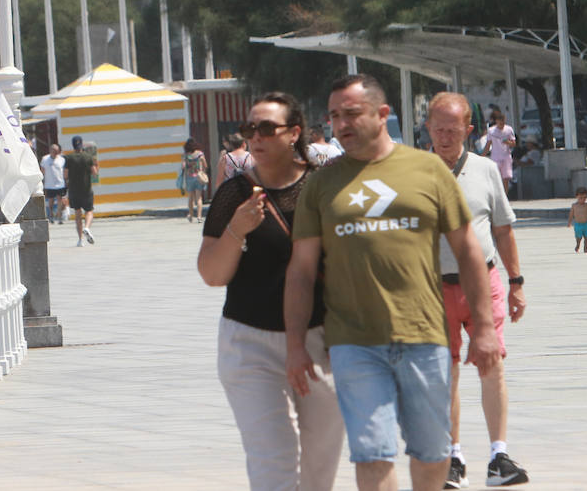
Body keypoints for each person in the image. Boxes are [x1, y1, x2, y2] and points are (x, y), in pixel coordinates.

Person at [284, 74, 498, 491]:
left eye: (351, 114)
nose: (340, 125)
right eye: (333, 117)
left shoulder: (427, 169)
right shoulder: (322, 184)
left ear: (383, 114)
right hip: (353, 342)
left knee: (433, 451)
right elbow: (301, 270)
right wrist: (295, 345)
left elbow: (470, 251)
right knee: (372, 451)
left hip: (424, 336)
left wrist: (486, 327)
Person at [198, 92, 344, 490]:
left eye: (266, 129)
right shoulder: (234, 194)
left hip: (320, 340)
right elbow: (211, 273)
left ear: (294, 132)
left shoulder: (322, 187)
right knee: (274, 462)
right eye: (250, 129)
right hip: (250, 344)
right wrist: (236, 230)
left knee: (319, 467)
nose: (256, 138)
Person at [424, 93, 529, 488]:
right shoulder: (415, 172)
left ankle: (499, 456)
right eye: (439, 128)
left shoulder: (485, 170)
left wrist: (516, 283)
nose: (446, 136)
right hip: (432, 288)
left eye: (454, 129)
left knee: (492, 365)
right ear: (428, 129)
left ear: (469, 130)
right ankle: (453, 458)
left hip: (483, 283)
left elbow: (502, 230)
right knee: (445, 373)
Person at [64, 136, 98, 247]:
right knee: (89, 211)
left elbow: (65, 175)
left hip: (74, 190)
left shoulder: (68, 158)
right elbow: (94, 173)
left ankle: (80, 240)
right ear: (82, 144)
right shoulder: (88, 157)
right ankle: (87, 227)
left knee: (78, 214)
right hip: (86, 189)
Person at [483, 109, 516, 194]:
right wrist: (482, 156)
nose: (502, 125)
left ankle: (505, 197)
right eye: (500, 123)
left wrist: (508, 143)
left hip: (506, 157)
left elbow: (513, 143)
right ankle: (497, 196)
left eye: (503, 123)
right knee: (496, 178)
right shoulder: (491, 131)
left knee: (506, 178)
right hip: (495, 157)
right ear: (496, 121)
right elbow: (488, 144)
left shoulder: (509, 130)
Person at [216, 132, 254, 198]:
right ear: (244, 144)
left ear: (231, 145)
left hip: (231, 191)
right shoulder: (251, 157)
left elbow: (220, 178)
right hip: (248, 191)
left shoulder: (225, 158)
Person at [181, 138, 209, 224]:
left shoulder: (185, 155)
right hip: (199, 177)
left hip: (189, 177)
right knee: (199, 198)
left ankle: (191, 215)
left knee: (190, 198)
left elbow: (183, 167)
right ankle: (199, 217)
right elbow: (205, 165)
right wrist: (202, 170)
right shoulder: (200, 154)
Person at [40, 142, 67, 224]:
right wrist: (42, 180)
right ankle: (51, 215)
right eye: (53, 150)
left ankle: (59, 216)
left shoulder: (62, 159)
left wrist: (66, 180)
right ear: (50, 150)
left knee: (60, 200)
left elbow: (64, 171)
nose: (55, 152)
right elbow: (42, 170)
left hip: (60, 183)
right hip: (49, 184)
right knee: (50, 200)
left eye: (56, 151)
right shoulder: (45, 159)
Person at [569, 186, 587, 251]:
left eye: (584, 198)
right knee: (578, 237)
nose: (583, 199)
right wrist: (569, 222)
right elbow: (571, 214)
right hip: (578, 224)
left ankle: (585, 249)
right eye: (581, 198)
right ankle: (578, 244)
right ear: (576, 197)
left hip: (586, 224)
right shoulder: (574, 205)